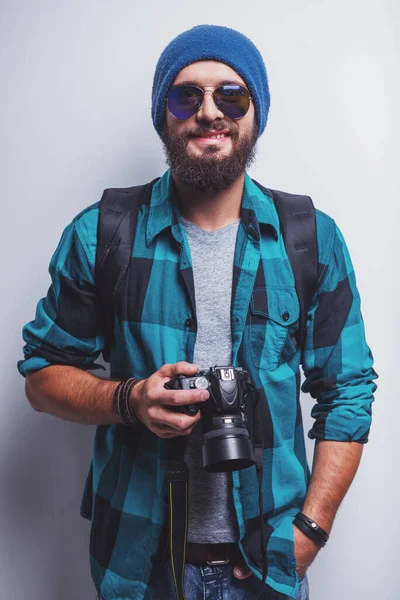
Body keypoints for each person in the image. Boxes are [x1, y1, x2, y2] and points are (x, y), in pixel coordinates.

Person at [18, 24, 377, 600]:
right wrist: (128, 400)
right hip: (141, 561)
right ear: (164, 115)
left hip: (267, 563)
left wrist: (312, 528)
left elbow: (349, 390)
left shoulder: (309, 239)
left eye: (231, 95)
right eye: (187, 96)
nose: (210, 112)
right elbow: (41, 378)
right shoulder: (103, 234)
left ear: (257, 111)